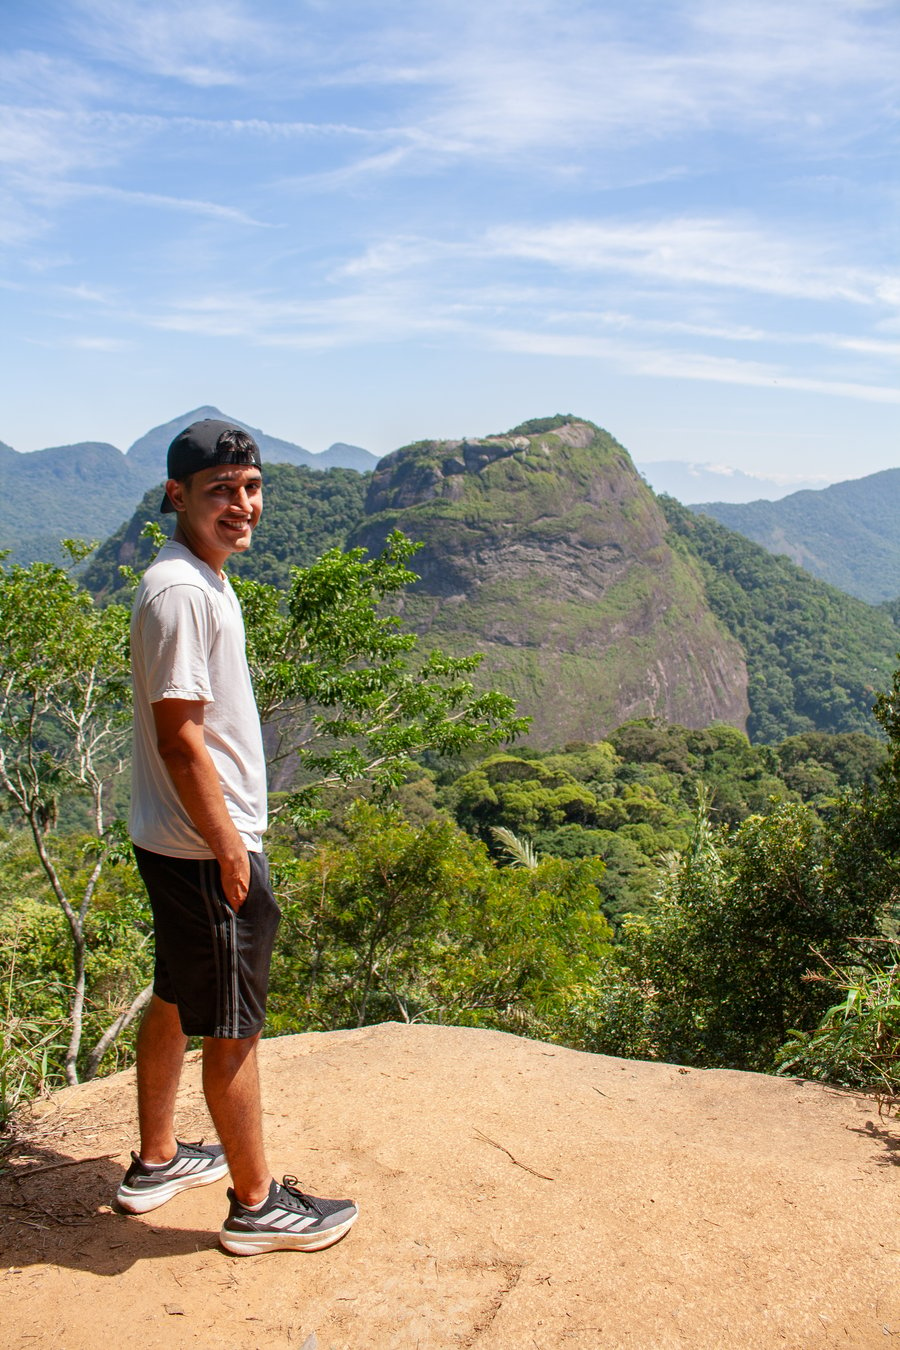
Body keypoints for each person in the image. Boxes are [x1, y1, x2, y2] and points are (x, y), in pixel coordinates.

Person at [117, 418, 358, 1255]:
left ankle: (156, 1158)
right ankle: (256, 1207)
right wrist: (230, 852)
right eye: (222, 491)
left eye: (252, 489)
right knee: (234, 1025)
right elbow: (182, 736)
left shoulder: (195, 577)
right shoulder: (183, 591)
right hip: (201, 847)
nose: (243, 506)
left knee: (180, 997)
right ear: (178, 495)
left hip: (171, 840)